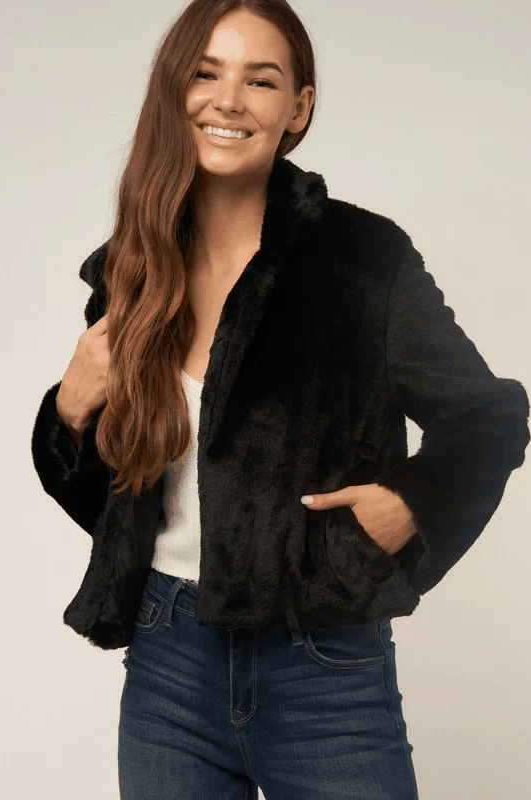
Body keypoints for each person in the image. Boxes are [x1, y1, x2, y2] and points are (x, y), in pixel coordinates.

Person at [30, 1, 530, 798]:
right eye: (206, 73)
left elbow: (487, 416)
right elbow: (112, 501)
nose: (228, 100)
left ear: (297, 107)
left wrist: (412, 501)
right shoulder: (135, 268)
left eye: (260, 80)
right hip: (165, 664)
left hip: (323, 664)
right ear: (175, 91)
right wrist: (69, 411)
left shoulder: (361, 259)